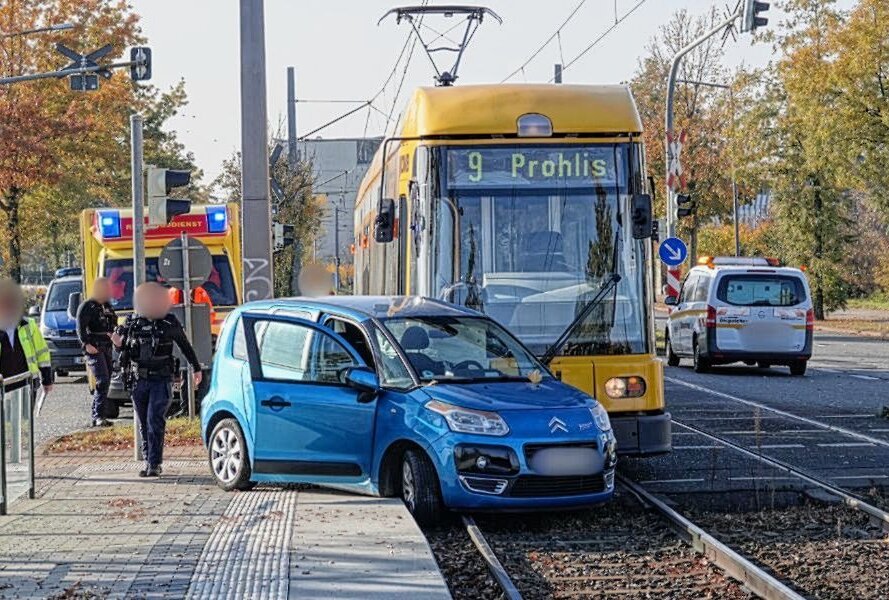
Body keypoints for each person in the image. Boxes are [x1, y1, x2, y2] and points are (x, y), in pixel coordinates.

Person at [112, 282, 202, 477]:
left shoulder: (168, 323)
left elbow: (185, 346)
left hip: (161, 379)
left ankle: (154, 463)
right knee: (144, 422)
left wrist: (196, 368)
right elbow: (122, 349)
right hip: (138, 380)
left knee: (154, 420)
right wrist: (118, 345)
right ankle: (148, 460)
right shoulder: (131, 323)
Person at [76, 277, 117, 427]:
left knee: (107, 380)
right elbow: (80, 327)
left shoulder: (107, 306)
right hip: (94, 347)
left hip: (107, 346)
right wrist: (86, 344)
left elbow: (113, 323)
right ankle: (99, 415)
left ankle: (99, 414)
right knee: (103, 379)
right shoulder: (88, 306)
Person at [0, 278, 53, 393]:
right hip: (3, 386)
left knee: (26, 411)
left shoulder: (29, 325)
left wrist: (47, 380)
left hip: (27, 384)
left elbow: (42, 355)